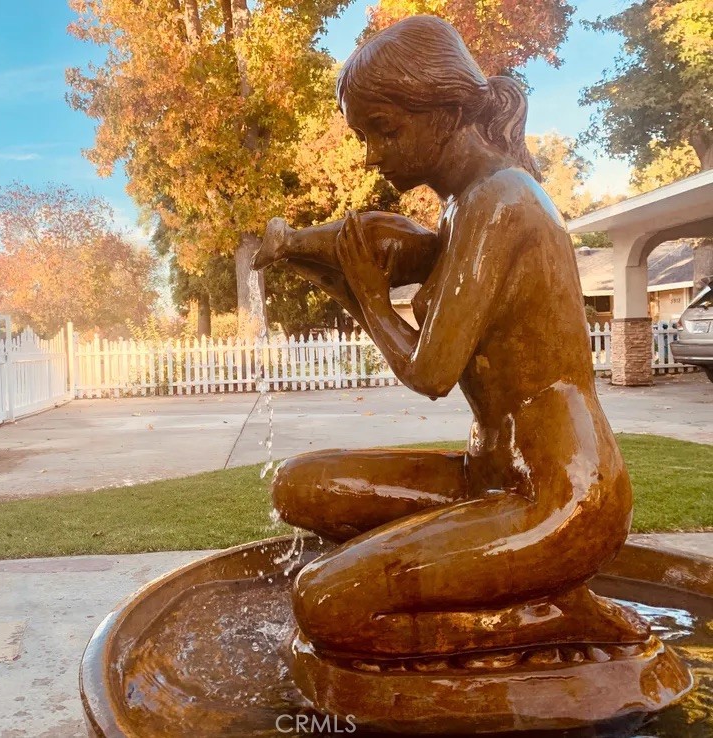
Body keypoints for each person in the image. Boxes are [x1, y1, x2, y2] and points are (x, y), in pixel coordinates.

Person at [258, 16, 647, 658]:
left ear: (446, 112)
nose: (371, 154)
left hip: (562, 498)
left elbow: (431, 372)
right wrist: (342, 283)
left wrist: (370, 298)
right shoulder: (461, 208)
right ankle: (441, 576)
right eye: (362, 135)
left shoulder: (501, 201)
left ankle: (554, 612)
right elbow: (386, 257)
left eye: (383, 129)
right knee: (298, 486)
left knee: (322, 603)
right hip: (485, 475)